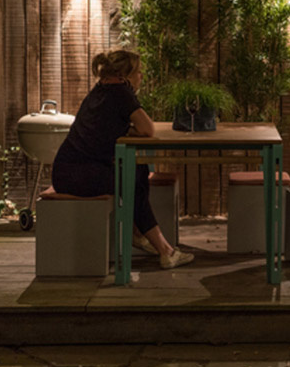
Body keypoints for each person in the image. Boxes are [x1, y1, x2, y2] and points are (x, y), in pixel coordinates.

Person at [52, 49, 193, 269]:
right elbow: (148, 129)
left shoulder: (100, 90)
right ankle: (164, 250)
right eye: (138, 72)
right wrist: (134, 128)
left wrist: (128, 129)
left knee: (137, 170)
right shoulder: (121, 92)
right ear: (124, 76)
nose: (141, 77)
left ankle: (141, 235)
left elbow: (107, 126)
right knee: (131, 179)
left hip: (67, 172)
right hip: (80, 175)